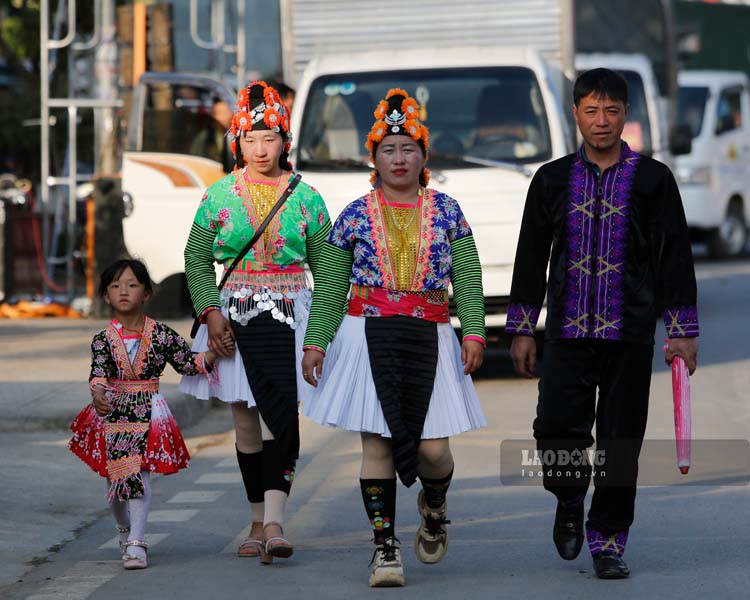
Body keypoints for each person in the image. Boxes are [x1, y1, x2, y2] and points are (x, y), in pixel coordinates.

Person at [506, 68, 699, 579]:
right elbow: (530, 257)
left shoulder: (654, 181)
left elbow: (674, 256)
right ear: (575, 113)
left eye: (611, 111)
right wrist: (523, 327)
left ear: (626, 116)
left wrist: (681, 331)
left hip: (629, 334)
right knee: (553, 429)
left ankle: (608, 540)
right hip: (567, 333)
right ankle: (569, 498)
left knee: (620, 443)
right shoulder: (549, 179)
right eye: (591, 110)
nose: (601, 121)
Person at [301, 88, 486, 587]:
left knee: (433, 451)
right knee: (377, 445)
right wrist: (317, 341)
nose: (398, 158)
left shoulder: (447, 210)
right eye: (388, 149)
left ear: (424, 156)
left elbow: (467, 276)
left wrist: (473, 333)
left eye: (408, 148)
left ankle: (435, 504)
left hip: (431, 333)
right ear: (374, 159)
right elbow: (332, 287)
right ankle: (385, 549)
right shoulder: (355, 215)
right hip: (368, 334)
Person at [180, 80, 331, 563]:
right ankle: (254, 518)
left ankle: (275, 521)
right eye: (250, 140)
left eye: (269, 139)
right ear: (237, 143)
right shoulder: (217, 195)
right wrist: (211, 312)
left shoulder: (308, 199)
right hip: (233, 315)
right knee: (246, 423)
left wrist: (320, 337)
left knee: (280, 415)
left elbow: (329, 270)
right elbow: (196, 257)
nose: (260, 149)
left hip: (291, 313)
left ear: (285, 140)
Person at [69, 259, 218, 570]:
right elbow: (97, 372)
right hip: (113, 410)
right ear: (105, 296)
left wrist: (215, 351)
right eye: (115, 286)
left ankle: (137, 541)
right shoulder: (102, 340)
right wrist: (97, 393)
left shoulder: (162, 335)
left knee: (137, 474)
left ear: (147, 293)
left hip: (148, 410)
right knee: (116, 482)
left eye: (132, 285)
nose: (124, 291)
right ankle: (124, 528)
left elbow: (187, 362)